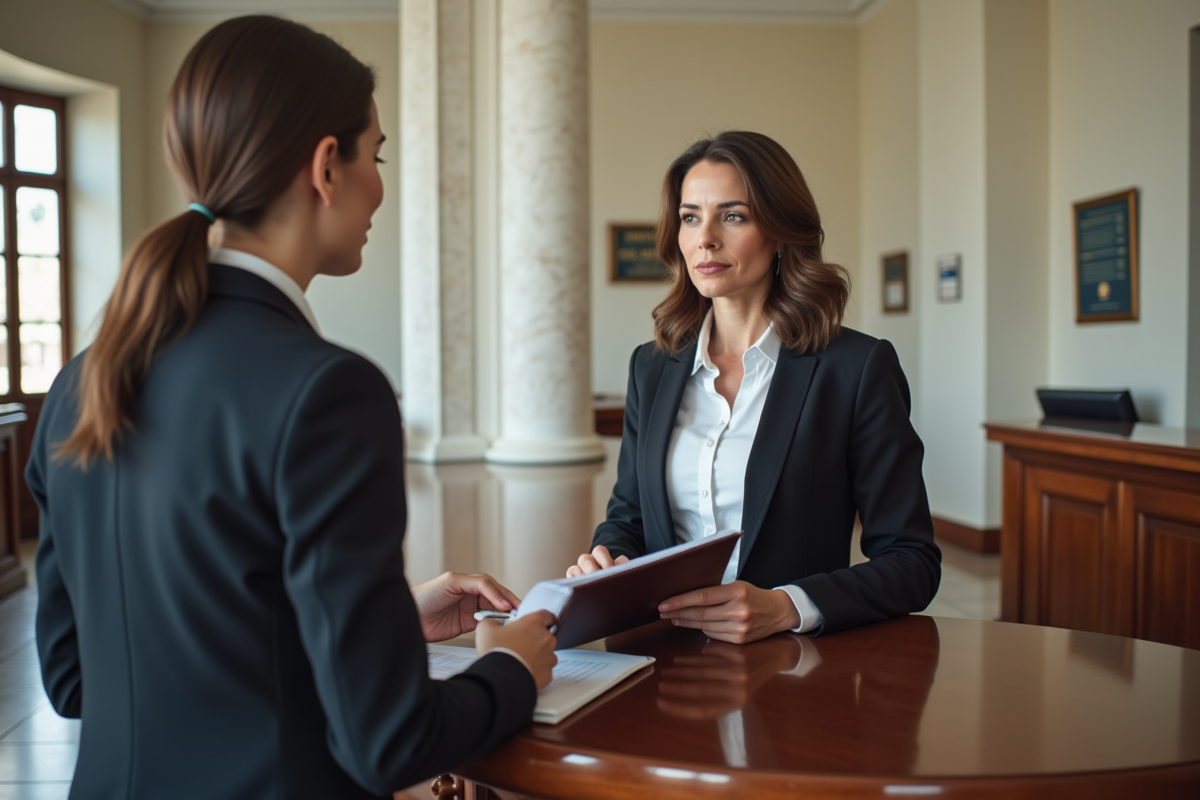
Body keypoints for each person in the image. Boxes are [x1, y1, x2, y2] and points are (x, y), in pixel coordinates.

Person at [27, 16, 556, 800]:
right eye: (375, 156)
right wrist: (513, 667)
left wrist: (385, 621)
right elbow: (390, 743)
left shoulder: (82, 381)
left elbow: (78, 679)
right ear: (325, 167)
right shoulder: (328, 393)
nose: (380, 185)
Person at [568, 131, 940, 643]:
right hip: (660, 657)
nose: (706, 238)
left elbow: (912, 561)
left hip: (789, 669)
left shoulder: (854, 368)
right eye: (690, 216)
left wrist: (787, 607)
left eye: (734, 215)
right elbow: (628, 517)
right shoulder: (651, 368)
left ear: (782, 231)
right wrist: (610, 560)